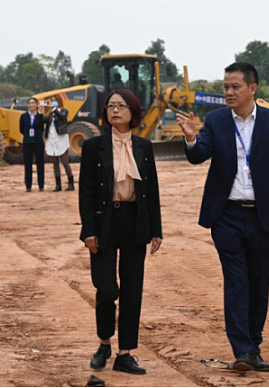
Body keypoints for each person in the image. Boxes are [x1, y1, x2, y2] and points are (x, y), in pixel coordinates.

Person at [176, 62, 269, 372]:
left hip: (262, 216)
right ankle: (242, 350)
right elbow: (199, 155)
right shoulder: (216, 120)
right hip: (226, 216)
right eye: (225, 87)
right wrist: (191, 138)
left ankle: (254, 345)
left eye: (235, 87)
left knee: (258, 283)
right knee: (236, 282)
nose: (229, 92)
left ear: (252, 88)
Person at [79, 89, 163, 375]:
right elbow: (86, 193)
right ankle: (104, 343)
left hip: (135, 220)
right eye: (111, 106)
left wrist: (156, 229)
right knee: (106, 288)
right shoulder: (93, 147)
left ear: (133, 112)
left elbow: (151, 190)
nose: (115, 110)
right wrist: (89, 230)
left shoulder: (144, 147)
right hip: (104, 221)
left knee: (132, 288)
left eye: (121, 106)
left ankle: (125, 353)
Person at [44, 95, 74, 192]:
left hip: (61, 138)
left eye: (54, 100)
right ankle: (58, 185)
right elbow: (43, 121)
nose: (53, 102)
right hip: (51, 138)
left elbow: (62, 117)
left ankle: (71, 183)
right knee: (55, 162)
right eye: (51, 101)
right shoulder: (49, 113)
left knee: (64, 161)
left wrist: (54, 109)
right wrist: (42, 110)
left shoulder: (64, 110)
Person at [19, 97, 46, 192]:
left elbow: (41, 128)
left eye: (33, 103)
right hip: (27, 142)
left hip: (38, 142)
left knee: (40, 164)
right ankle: (28, 186)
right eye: (29, 103)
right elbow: (21, 129)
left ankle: (41, 185)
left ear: (36, 105)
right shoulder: (23, 116)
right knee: (28, 164)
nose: (31, 105)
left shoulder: (40, 116)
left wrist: (40, 115)